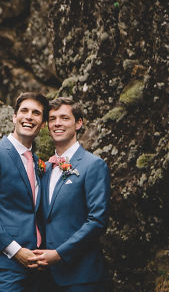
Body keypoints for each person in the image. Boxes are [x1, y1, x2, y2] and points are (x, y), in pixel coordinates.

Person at [0, 92, 50, 292]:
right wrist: (15, 251)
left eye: (36, 113)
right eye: (24, 111)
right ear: (14, 116)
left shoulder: (38, 162)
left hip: (38, 265)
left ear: (43, 124)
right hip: (6, 265)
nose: (29, 117)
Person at [34, 96, 110, 291]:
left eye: (64, 118)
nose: (57, 123)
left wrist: (59, 254)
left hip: (81, 276)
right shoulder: (45, 168)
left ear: (78, 123)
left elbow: (97, 221)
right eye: (52, 119)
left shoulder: (93, 165)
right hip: (46, 277)